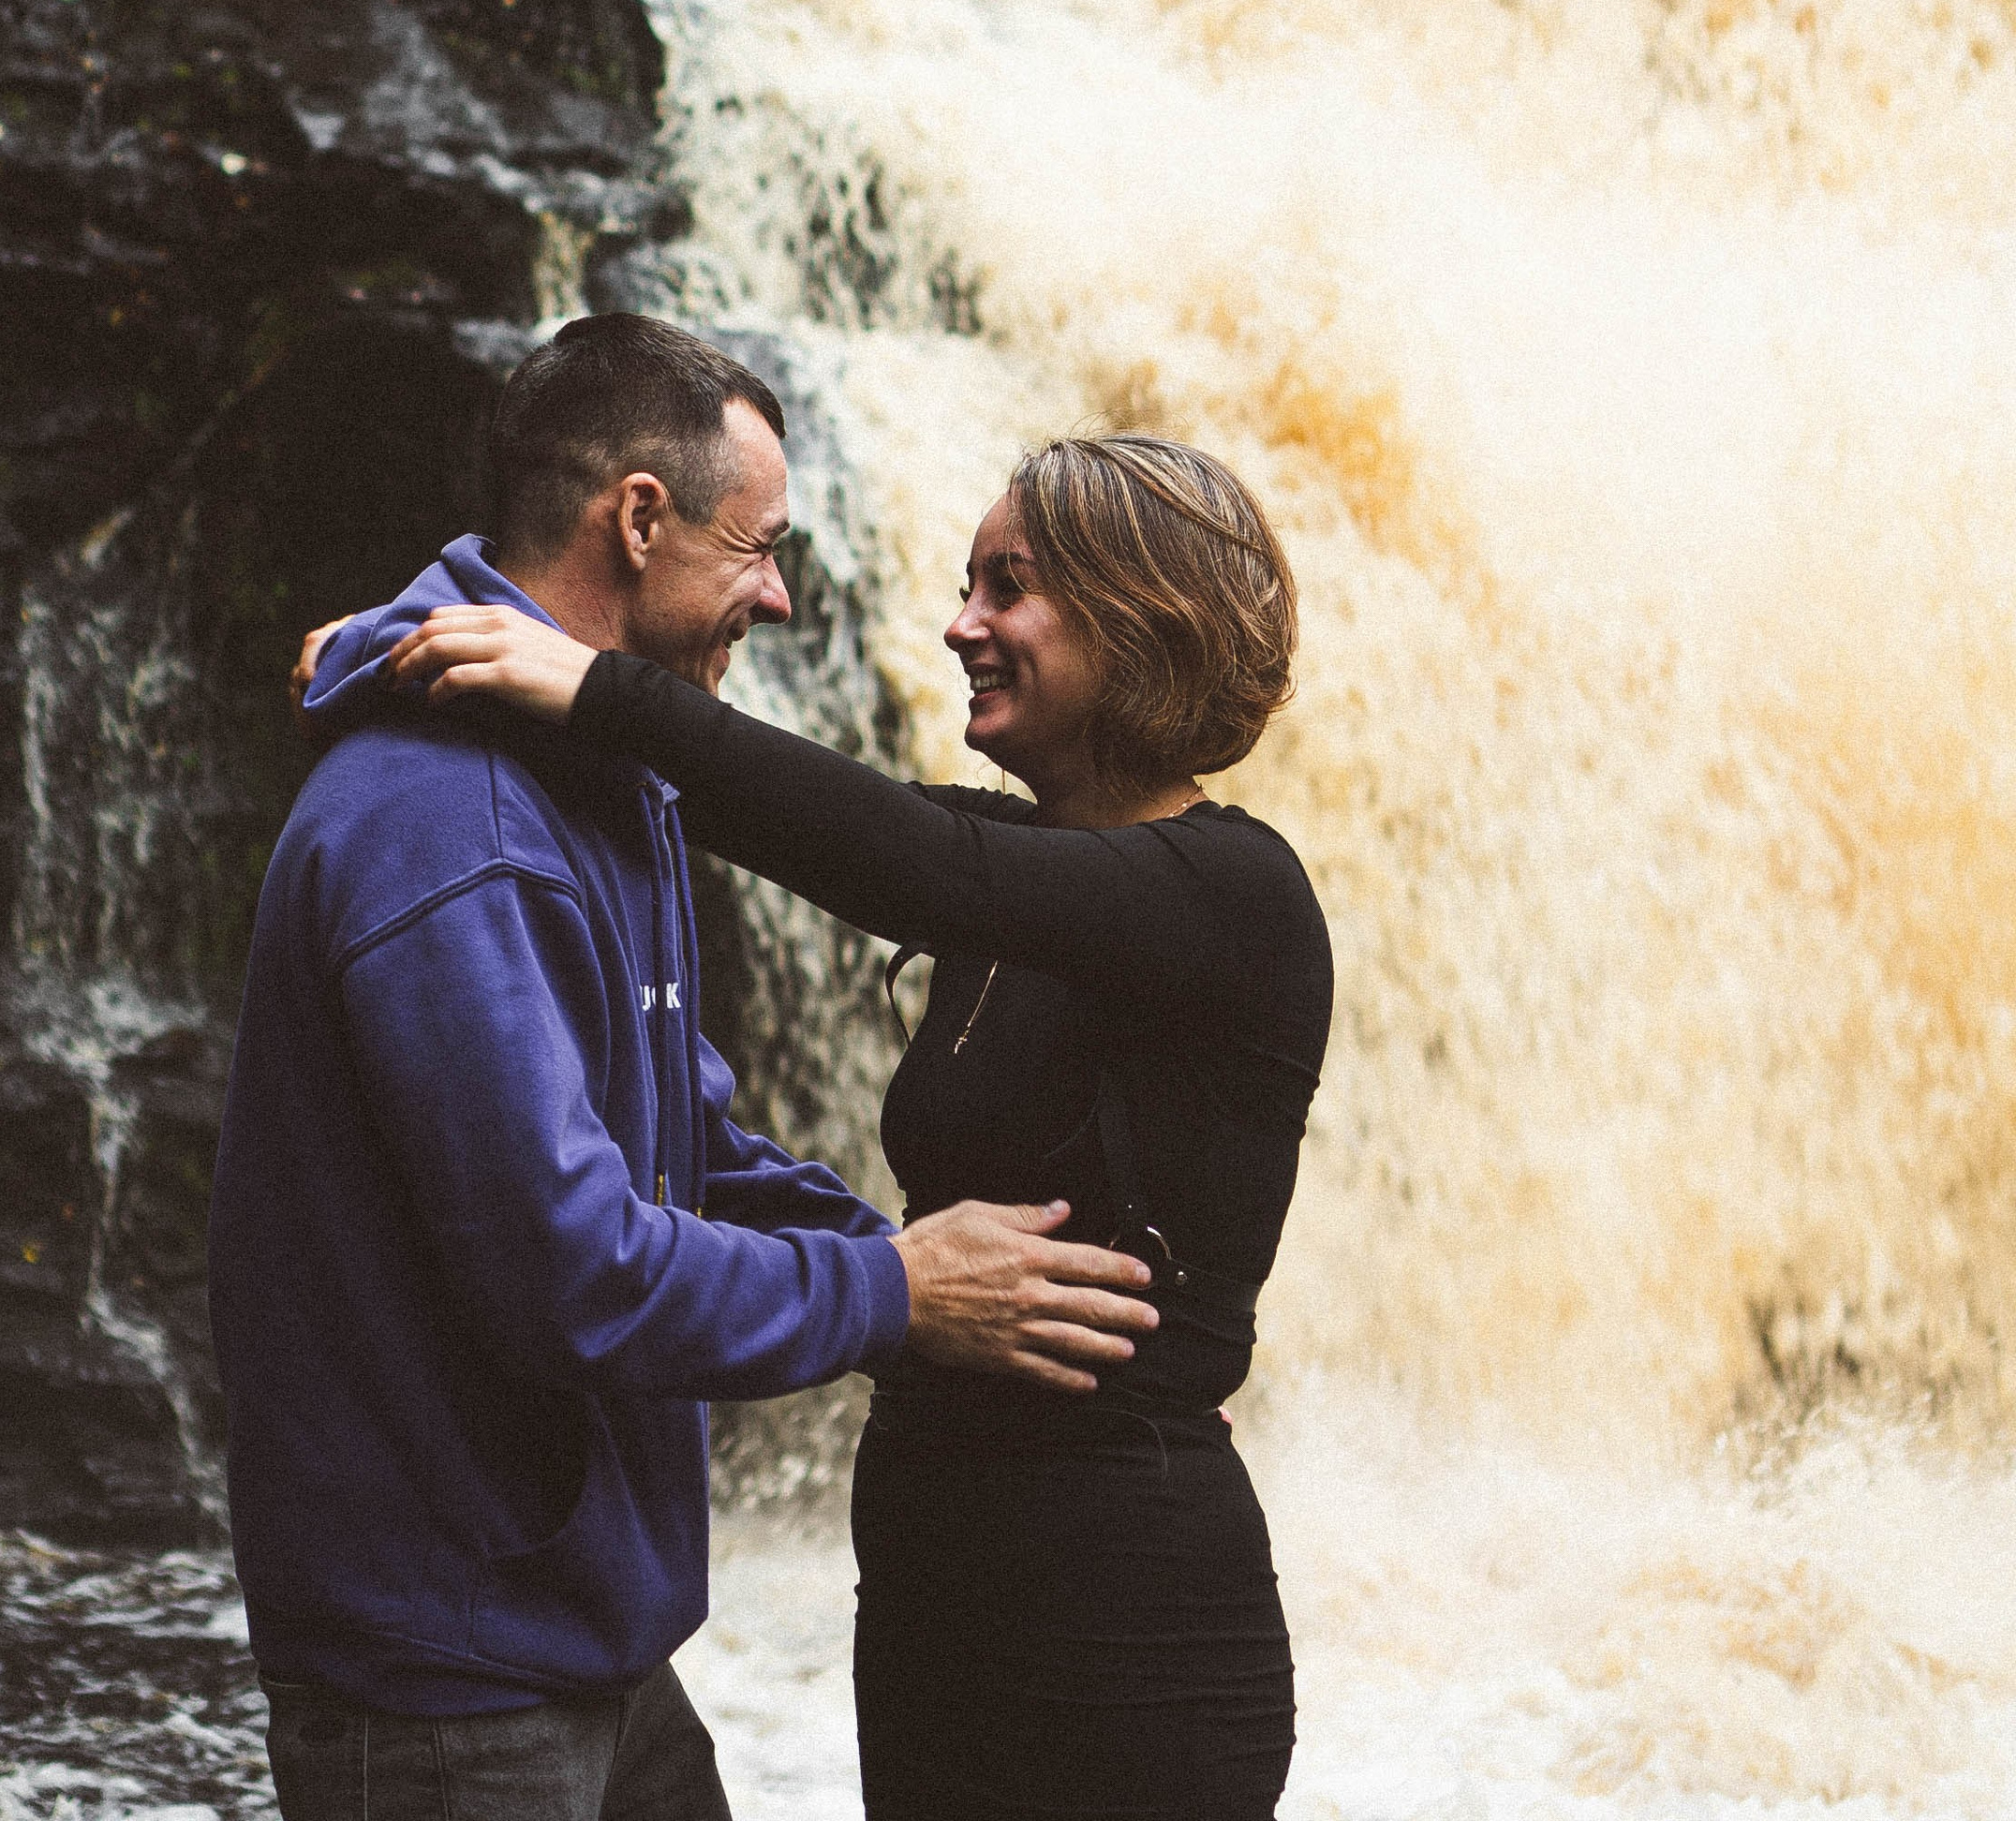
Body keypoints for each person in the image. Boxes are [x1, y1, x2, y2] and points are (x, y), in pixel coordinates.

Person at [212, 314, 1155, 1821]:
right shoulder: (460, 830)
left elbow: (680, 1144)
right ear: (638, 520)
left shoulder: (590, 770)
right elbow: (573, 1266)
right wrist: (899, 1295)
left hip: (576, 1629)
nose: (781, 595)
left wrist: (1005, 1303)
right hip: (450, 1671)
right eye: (757, 545)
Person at [357, 426, 1333, 1821]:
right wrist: (394, 662)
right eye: (965, 586)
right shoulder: (1021, 878)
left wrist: (601, 688)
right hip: (940, 1600)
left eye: (1008, 588)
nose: (960, 626)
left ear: (1140, 614)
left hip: (1123, 1622)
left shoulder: (1234, 896)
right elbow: (810, 815)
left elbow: (902, 854)